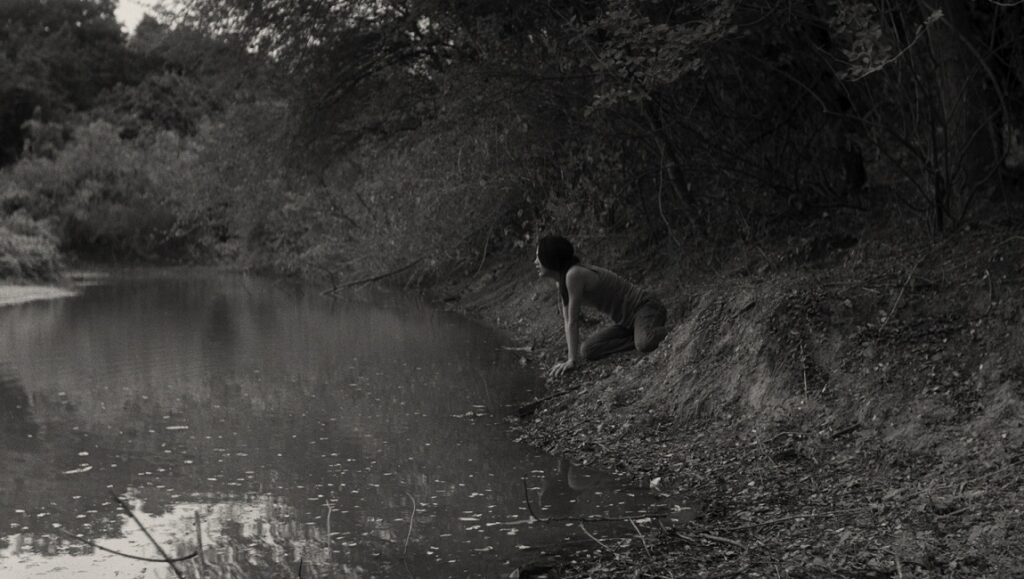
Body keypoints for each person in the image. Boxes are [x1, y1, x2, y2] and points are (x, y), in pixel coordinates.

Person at [534, 235, 667, 376]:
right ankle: (640, 335)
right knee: (588, 350)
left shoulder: (574, 275)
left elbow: (573, 321)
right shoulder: (562, 281)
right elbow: (567, 320)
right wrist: (571, 359)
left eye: (538, 257)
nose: (535, 262)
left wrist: (571, 360)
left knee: (644, 343)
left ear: (550, 258)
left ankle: (668, 332)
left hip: (645, 307)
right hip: (626, 323)